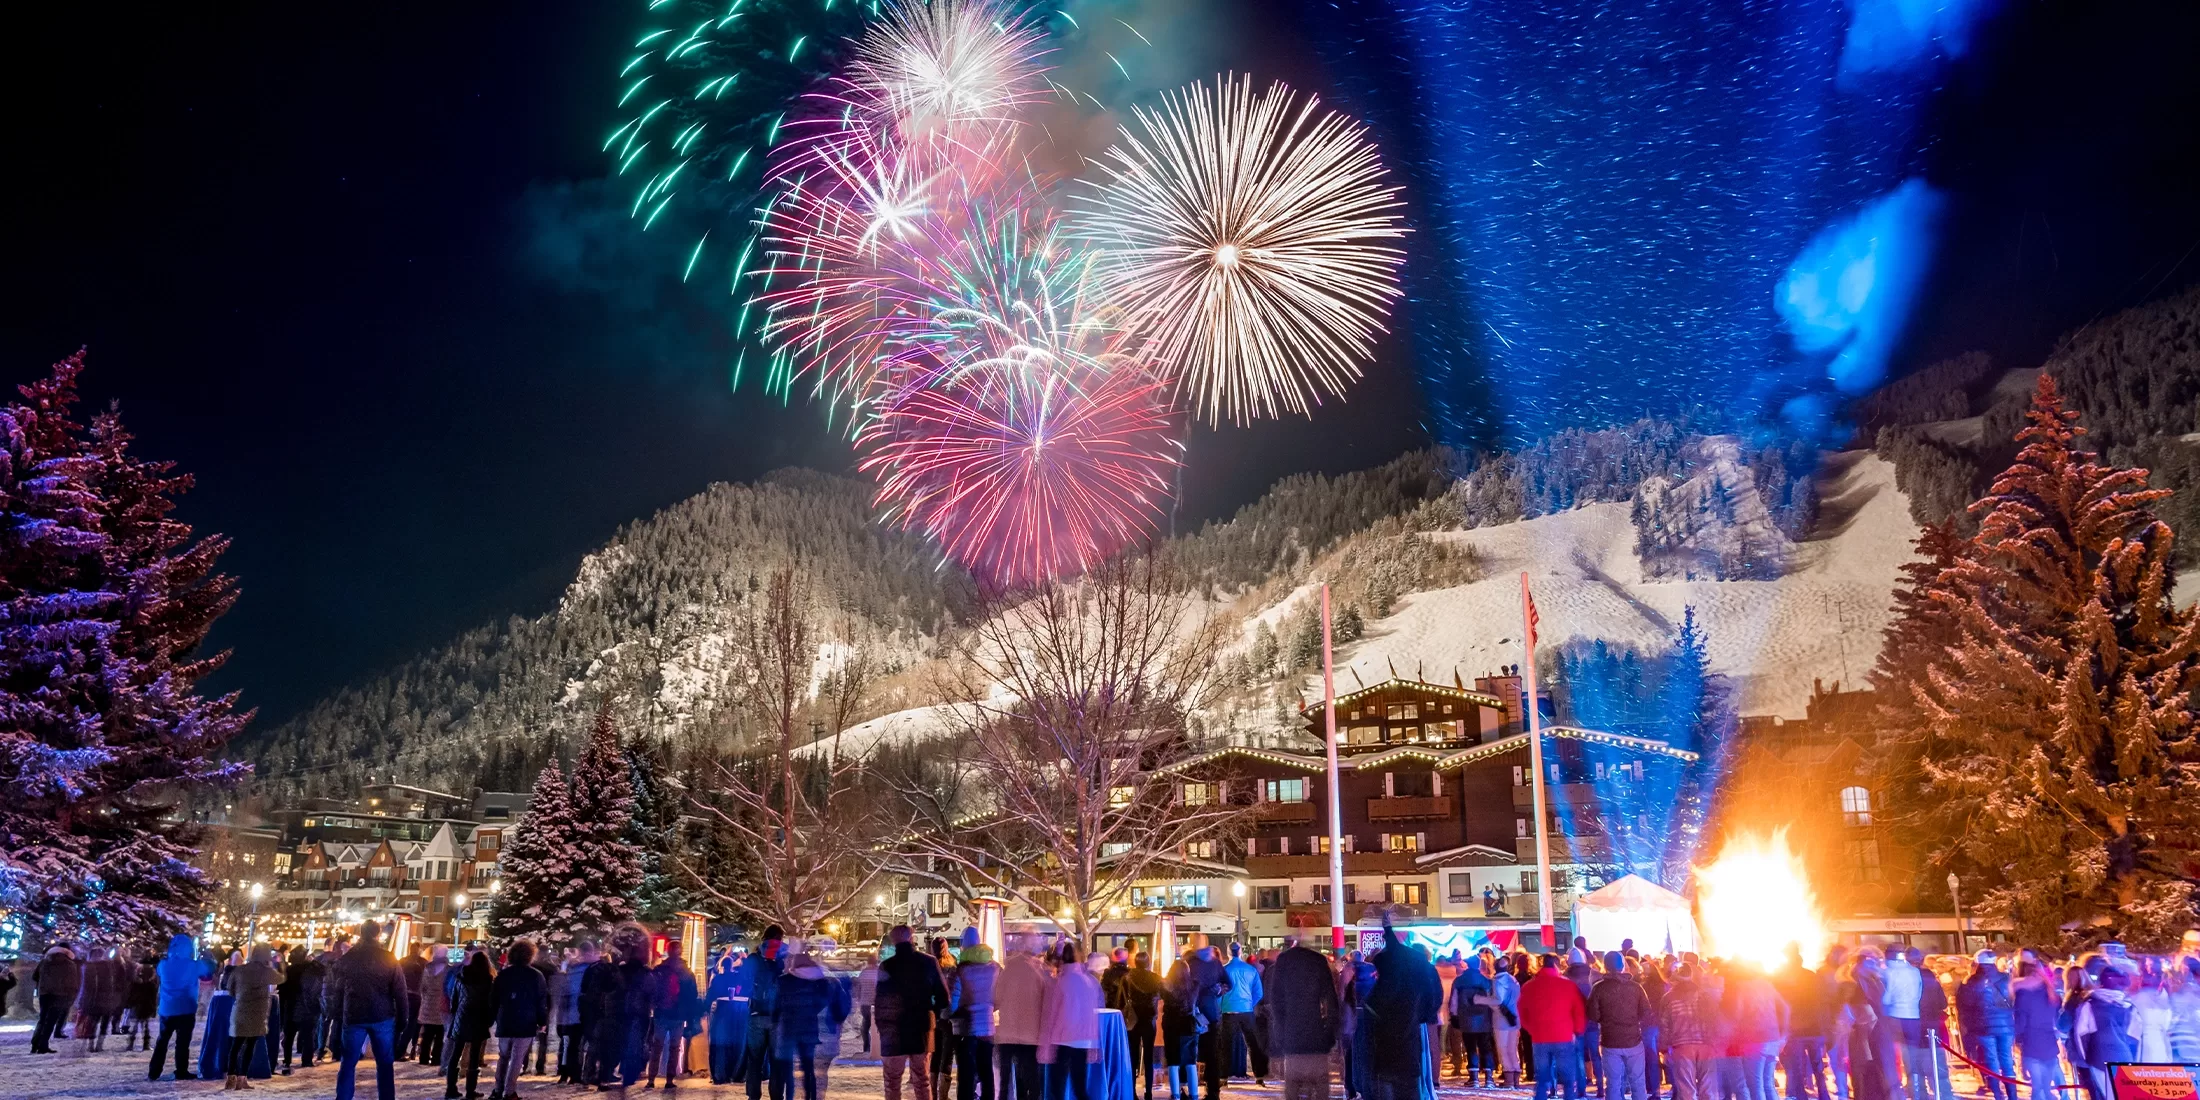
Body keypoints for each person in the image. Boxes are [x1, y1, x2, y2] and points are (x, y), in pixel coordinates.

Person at [328, 921, 410, 1100]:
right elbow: (400, 991)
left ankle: (343, 1097)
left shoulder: (348, 959)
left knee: (348, 1063)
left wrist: (337, 1016)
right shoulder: (388, 958)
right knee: (385, 1064)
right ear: (377, 934)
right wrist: (403, 1019)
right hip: (382, 1015)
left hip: (354, 1015)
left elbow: (338, 990)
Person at [1363, 928, 1443, 1100]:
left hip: (1388, 1051)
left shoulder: (1385, 987)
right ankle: (1429, 1083)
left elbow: (1371, 1010)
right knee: (1412, 1075)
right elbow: (1434, 995)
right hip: (1408, 1046)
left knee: (1390, 1084)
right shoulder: (1415, 981)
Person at [879, 924, 953, 1100]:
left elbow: (880, 1001)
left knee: (892, 1081)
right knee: (922, 1080)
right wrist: (930, 1008)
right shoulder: (928, 962)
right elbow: (944, 998)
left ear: (894, 940)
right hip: (922, 1027)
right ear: (912, 939)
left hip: (894, 1030)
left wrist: (883, 1027)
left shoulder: (886, 966)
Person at [1264, 935, 1340, 1100]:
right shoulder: (1318, 962)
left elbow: (1276, 1003)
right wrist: (1329, 1036)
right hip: (1317, 1040)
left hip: (1292, 1041)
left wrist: (1281, 1036)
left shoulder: (1283, 963)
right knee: (1320, 1088)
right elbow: (1332, 1003)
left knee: (1293, 1088)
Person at [774, 941, 849, 1100]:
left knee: (785, 1068)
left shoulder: (783, 981)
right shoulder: (818, 982)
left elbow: (775, 1004)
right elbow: (826, 1000)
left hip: (788, 1029)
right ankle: (811, 1096)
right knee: (808, 1068)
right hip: (809, 1029)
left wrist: (775, 1020)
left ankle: (786, 1096)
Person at [1039, 942, 1104, 1100]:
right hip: (1083, 1041)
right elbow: (1095, 1012)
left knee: (1056, 1087)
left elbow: (1051, 1014)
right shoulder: (1090, 982)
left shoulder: (1059, 983)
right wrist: (1095, 1044)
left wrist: (1044, 1045)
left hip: (1062, 1039)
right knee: (1079, 1086)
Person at [1170, 938, 1233, 1100]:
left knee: (1187, 1054)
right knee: (1212, 1054)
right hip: (1212, 1013)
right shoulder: (1215, 963)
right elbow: (1229, 984)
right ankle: (1213, 1091)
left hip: (1191, 1014)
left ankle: (1184, 1089)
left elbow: (1178, 986)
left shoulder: (1188, 963)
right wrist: (1217, 991)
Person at [1523, 953, 1590, 1100]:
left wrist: (1532, 1029)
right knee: (1567, 1078)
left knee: (1542, 1078)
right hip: (1564, 1036)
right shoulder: (1568, 985)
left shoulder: (1529, 986)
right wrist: (1578, 1031)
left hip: (1540, 1037)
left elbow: (1522, 1012)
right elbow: (1578, 1011)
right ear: (1556, 965)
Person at [1591, 952, 1655, 1100]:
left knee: (1613, 1083)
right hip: (1633, 1039)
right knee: (1638, 1082)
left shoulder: (1598, 988)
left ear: (1606, 966)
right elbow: (1646, 1012)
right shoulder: (1636, 987)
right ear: (1622, 966)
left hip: (1610, 1040)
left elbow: (1593, 1015)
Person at [490, 940, 549, 1100]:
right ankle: (509, 1091)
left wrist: (492, 1018)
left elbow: (494, 999)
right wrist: (542, 1021)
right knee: (517, 1058)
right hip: (525, 1021)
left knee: (503, 1056)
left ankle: (497, 1088)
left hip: (505, 1021)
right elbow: (541, 1001)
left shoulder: (503, 975)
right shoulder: (536, 976)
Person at [995, 937, 1051, 1100]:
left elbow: (997, 998)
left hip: (1006, 1033)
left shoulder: (1007, 970)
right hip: (1030, 1034)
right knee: (1031, 1077)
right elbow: (1045, 1001)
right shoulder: (1039, 972)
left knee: (1005, 1080)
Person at [1957, 953, 2017, 1100]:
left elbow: (1964, 1006)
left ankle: (1997, 1094)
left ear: (1977, 963)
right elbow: (2014, 1000)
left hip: (1983, 1026)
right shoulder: (2006, 978)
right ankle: (2012, 1095)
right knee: (2007, 1058)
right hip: (2006, 1025)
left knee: (1991, 1059)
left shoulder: (1970, 981)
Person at [952, 927, 1002, 1100]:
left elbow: (954, 1000)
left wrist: (949, 1015)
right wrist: (990, 1008)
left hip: (967, 1028)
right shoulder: (995, 968)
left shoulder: (961, 969)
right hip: (987, 1028)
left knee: (966, 1074)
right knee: (986, 1071)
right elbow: (1000, 996)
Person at [149, 933, 207, 1080]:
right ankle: (181, 1070)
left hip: (167, 1008)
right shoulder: (193, 965)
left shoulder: (163, 964)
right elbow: (208, 971)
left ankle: (154, 1071)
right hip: (186, 1007)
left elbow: (160, 975)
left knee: (162, 1040)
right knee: (182, 1042)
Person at [1104, 948, 1161, 1100]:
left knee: (1132, 1056)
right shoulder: (1155, 978)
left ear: (1135, 962)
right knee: (1148, 1056)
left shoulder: (1127, 977)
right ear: (1148, 963)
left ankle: (1132, 1091)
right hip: (1149, 1020)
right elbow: (1162, 995)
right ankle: (1148, 1092)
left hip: (1132, 1020)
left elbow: (1120, 1001)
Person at [738, 926, 787, 1100]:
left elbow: (742, 985)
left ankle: (753, 1095)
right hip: (777, 1017)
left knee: (754, 1060)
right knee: (777, 1061)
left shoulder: (753, 958)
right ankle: (776, 1096)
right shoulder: (785, 957)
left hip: (755, 1014)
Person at [646, 939, 703, 1089]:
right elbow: (693, 995)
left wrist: (654, 1005)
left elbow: (650, 990)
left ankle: (651, 1078)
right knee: (674, 1047)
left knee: (657, 1046)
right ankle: (669, 1080)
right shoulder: (686, 972)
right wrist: (691, 1017)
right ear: (681, 951)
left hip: (661, 1013)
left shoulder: (659, 969)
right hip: (678, 1014)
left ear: (668, 951)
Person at [2073, 966, 2137, 1100]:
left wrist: (2088, 1057)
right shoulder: (2129, 1007)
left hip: (2098, 1057)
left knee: (2106, 1096)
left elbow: (2081, 1035)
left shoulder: (2090, 1004)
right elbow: (2135, 1038)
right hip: (2125, 1058)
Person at [222, 944, 280, 1089]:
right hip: (257, 1012)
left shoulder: (240, 970)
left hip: (240, 1010)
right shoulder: (266, 972)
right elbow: (279, 978)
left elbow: (230, 989)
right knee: (250, 1046)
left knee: (236, 1046)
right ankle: (242, 1078)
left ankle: (231, 1077)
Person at [1777, 946, 1831, 1100]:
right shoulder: (1811, 976)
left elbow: (1781, 1005)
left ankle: (1801, 1096)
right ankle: (1824, 1095)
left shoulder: (1782, 978)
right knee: (1817, 1067)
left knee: (1797, 1068)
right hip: (1814, 1028)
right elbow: (1821, 1000)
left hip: (1795, 1030)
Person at [1659, 962, 1719, 1100]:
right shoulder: (1704, 995)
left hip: (1682, 1046)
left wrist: (1664, 1049)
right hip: (1705, 1045)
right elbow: (1713, 1020)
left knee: (1686, 1089)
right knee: (1707, 1088)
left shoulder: (1668, 998)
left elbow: (1664, 1026)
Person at [443, 949, 497, 1100]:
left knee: (455, 1054)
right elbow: (490, 1003)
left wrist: (456, 1012)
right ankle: (470, 1091)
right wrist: (489, 1020)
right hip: (478, 1019)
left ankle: (450, 1089)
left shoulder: (461, 977)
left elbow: (454, 999)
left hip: (461, 1018)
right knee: (474, 1056)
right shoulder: (488, 980)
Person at [2010, 961, 2064, 1100]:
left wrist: (2017, 1039)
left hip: (2031, 1042)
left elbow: (2020, 1021)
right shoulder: (2050, 992)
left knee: (2038, 1086)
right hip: (2049, 1042)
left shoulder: (2022, 994)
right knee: (2045, 1086)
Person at [1220, 942, 1268, 1086]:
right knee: (1253, 1044)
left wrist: (1220, 1007)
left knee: (1225, 1046)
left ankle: (1223, 1078)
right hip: (1246, 1011)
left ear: (1228, 953)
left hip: (1228, 1011)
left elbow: (1218, 993)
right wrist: (1249, 1004)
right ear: (1240, 952)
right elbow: (1259, 992)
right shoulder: (1250, 970)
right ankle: (1259, 1076)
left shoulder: (1223, 970)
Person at [1453, 949, 1499, 1087]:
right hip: (1483, 1019)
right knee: (1486, 1046)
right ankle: (1489, 1078)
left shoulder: (1459, 980)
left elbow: (1454, 1001)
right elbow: (1492, 999)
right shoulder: (1486, 981)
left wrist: (1454, 1015)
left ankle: (1473, 1078)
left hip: (1466, 1018)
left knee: (1470, 1047)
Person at [279, 945, 327, 1073]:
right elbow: (324, 971)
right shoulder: (310, 968)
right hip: (307, 1006)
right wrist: (313, 961)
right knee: (308, 1036)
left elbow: (282, 989)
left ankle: (287, 1060)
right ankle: (306, 1060)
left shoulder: (289, 970)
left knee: (289, 1037)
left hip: (291, 1006)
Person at [29, 942, 81, 1054]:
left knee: (42, 1019)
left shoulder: (44, 961)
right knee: (51, 1021)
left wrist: (43, 983)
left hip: (44, 993)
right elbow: (72, 983)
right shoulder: (69, 964)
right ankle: (43, 1045)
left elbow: (35, 976)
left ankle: (35, 1044)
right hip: (60, 995)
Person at [706, 951, 747, 1085]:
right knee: (737, 1044)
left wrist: (705, 1008)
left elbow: (711, 995)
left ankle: (720, 1074)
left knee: (720, 1044)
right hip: (738, 1014)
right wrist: (744, 959)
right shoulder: (737, 977)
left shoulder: (718, 979)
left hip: (722, 1013)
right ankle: (736, 1074)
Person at [1486, 953, 1526, 1089]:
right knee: (1512, 1049)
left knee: (1503, 1049)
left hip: (1502, 1020)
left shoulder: (1497, 981)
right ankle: (1515, 1079)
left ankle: (1509, 1080)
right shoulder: (1513, 980)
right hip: (1514, 1018)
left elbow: (1498, 1000)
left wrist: (1480, 999)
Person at [550, 947, 585, 1084]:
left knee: (567, 1047)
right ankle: (571, 1073)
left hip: (566, 1019)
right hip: (573, 1018)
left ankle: (565, 1072)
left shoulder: (564, 979)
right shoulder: (574, 981)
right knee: (573, 1047)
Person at [418, 947, 452, 1067]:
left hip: (428, 1005)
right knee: (440, 1035)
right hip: (443, 1006)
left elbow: (422, 987)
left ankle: (423, 1058)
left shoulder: (427, 968)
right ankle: (436, 1059)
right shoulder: (448, 970)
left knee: (427, 1035)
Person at [124, 950, 160, 1052]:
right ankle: (145, 1044)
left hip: (137, 1001)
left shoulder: (137, 972)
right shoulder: (153, 974)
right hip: (147, 1002)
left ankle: (131, 1044)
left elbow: (131, 988)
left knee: (135, 1023)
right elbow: (154, 991)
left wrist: (129, 1001)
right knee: (145, 1024)